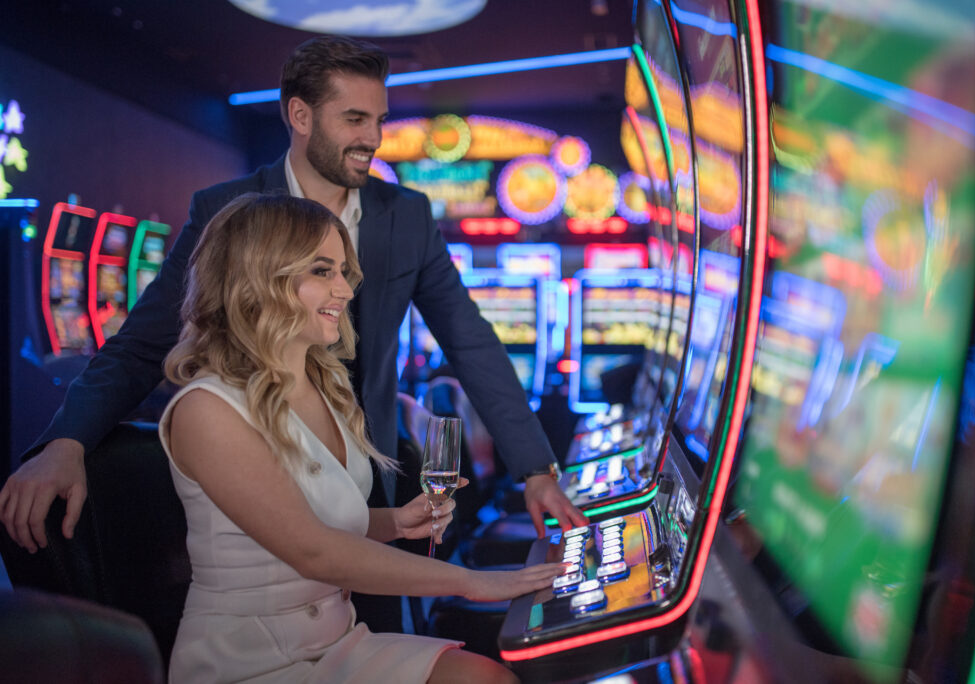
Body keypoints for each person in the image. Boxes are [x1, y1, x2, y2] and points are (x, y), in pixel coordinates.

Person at [0, 33, 587, 627]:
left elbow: (470, 342)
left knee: (384, 632)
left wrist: (536, 471)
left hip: (368, 474)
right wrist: (65, 442)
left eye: (379, 119)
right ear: (299, 115)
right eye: (354, 118)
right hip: (261, 470)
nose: (372, 139)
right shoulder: (228, 207)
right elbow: (140, 346)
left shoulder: (405, 215)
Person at [158, 192, 561, 683]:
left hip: (336, 638)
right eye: (323, 271)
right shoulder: (207, 409)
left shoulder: (325, 385)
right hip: (248, 658)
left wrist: (395, 520)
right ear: (263, 277)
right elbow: (313, 550)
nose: (346, 291)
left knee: (489, 676)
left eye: (344, 272)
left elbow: (314, 518)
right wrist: (472, 582)